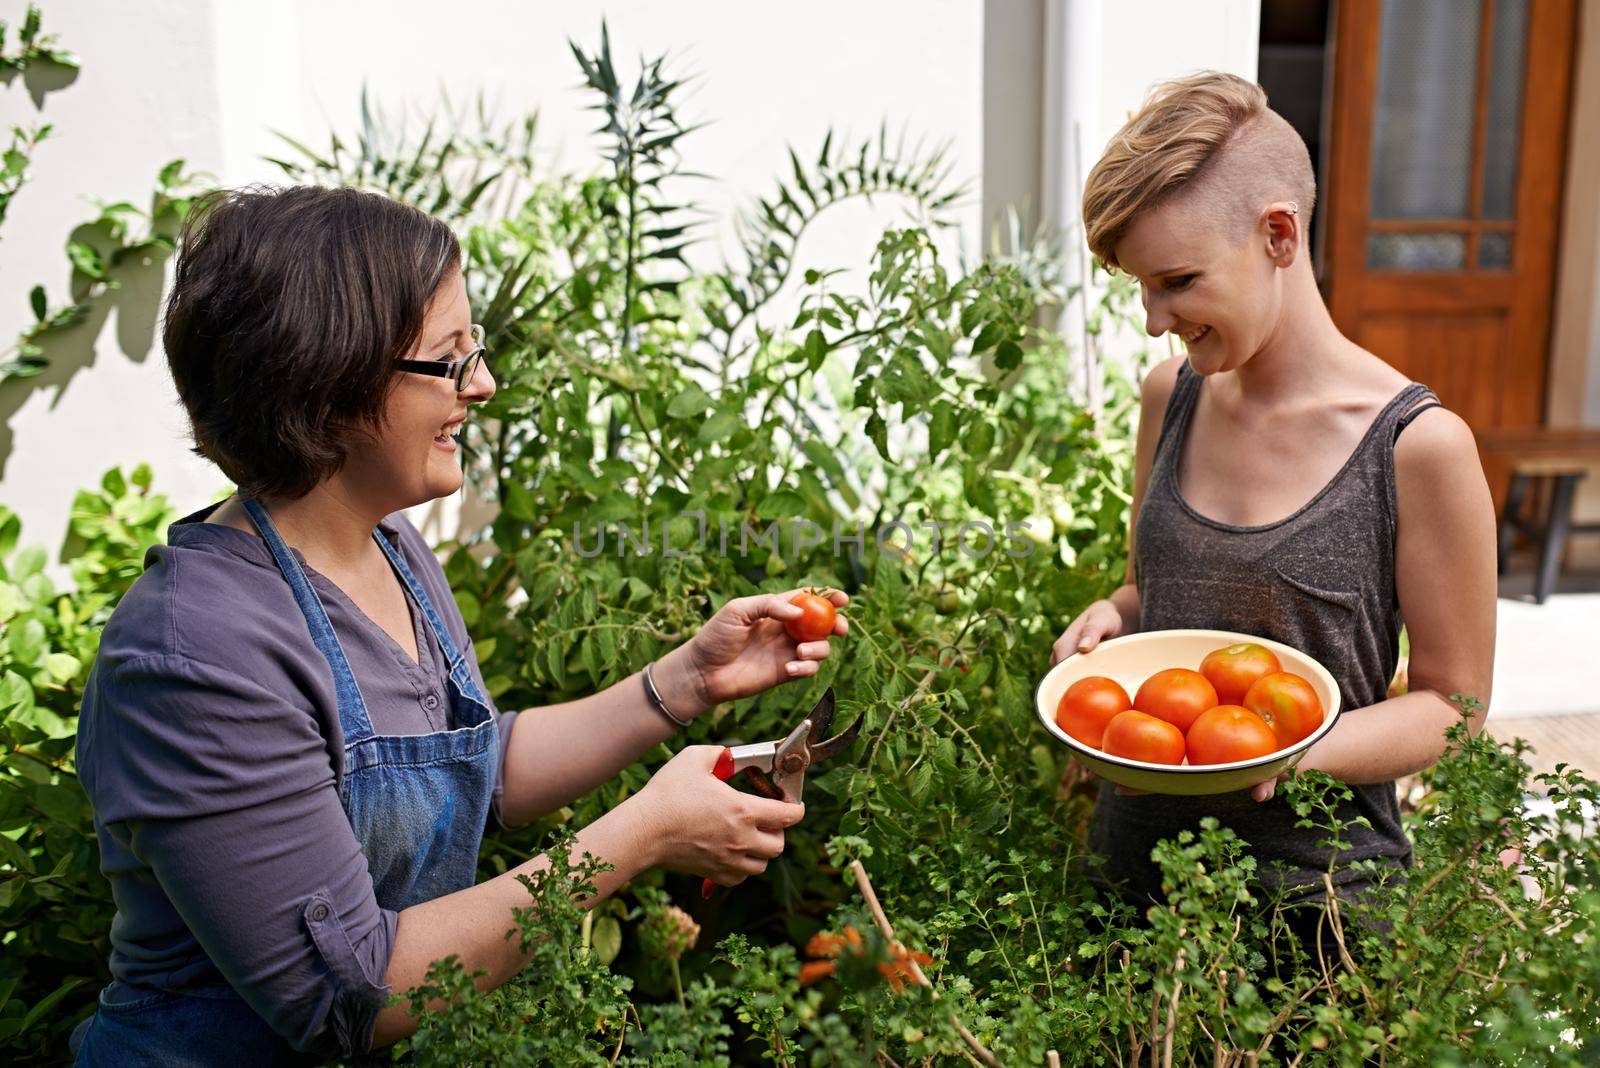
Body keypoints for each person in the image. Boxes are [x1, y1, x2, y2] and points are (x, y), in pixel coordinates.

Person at [71, 185, 844, 1064]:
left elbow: (474, 772)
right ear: (327, 387)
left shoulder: (388, 543)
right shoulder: (196, 655)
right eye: (448, 359)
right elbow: (350, 993)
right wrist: (640, 835)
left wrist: (685, 682)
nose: (482, 383)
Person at [1051, 73, 1497, 934]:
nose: (1153, 319)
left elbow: (1455, 710)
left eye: (1177, 280)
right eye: (1141, 288)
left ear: (1278, 236)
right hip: (1129, 889)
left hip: (1315, 915)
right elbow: (1162, 598)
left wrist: (1297, 752)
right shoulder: (1167, 398)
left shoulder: (1416, 448)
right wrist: (1111, 614)